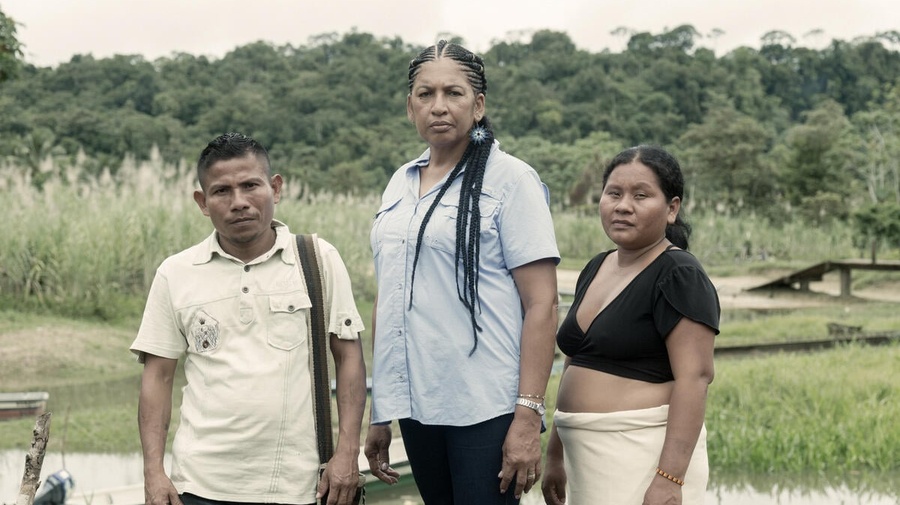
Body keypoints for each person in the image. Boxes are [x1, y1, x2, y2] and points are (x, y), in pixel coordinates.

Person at [363, 40, 560, 504]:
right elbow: (388, 299)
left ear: (479, 105)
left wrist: (528, 415)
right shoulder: (400, 181)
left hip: (485, 406)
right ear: (410, 106)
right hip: (417, 405)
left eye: (453, 93)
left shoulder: (511, 180)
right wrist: (381, 410)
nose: (438, 106)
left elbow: (542, 304)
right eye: (425, 94)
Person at [131, 132, 367, 505]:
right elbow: (157, 377)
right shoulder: (176, 273)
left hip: (297, 486)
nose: (238, 202)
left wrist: (347, 452)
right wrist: (153, 473)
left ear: (275, 188)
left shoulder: (317, 259)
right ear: (202, 202)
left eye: (250, 185)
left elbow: (349, 358)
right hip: (200, 485)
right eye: (221, 191)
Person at [542, 145, 720, 505]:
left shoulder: (679, 274)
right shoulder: (597, 267)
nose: (623, 206)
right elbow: (576, 359)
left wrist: (670, 479)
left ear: (672, 208)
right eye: (614, 193)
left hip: (641, 456)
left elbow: (695, 378)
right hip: (585, 456)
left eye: (641, 195)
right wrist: (555, 455)